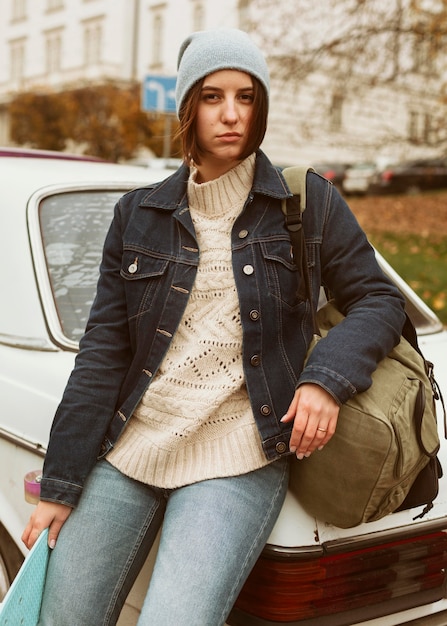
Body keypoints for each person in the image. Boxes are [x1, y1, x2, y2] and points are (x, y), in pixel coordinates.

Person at [22, 28, 406, 626]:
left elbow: (379, 300)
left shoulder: (306, 204)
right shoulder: (137, 215)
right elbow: (102, 354)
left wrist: (326, 379)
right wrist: (60, 484)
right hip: (131, 449)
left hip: (239, 456)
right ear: (187, 108)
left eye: (247, 97)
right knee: (59, 617)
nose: (231, 114)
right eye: (212, 96)